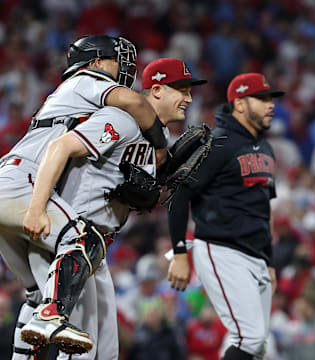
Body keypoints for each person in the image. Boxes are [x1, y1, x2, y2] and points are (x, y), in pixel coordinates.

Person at [14, 57, 206, 355]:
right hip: (68, 240)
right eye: (181, 89)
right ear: (156, 90)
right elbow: (62, 146)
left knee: (105, 352)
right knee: (80, 347)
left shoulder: (157, 142)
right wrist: (38, 209)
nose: (188, 98)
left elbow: (132, 194)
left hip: (94, 249)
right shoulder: (122, 119)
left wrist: (161, 186)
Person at [0, 33, 167, 359]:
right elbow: (135, 102)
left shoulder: (70, 98)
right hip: (21, 182)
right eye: (115, 60)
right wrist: (161, 148)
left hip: (9, 184)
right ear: (94, 63)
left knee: (37, 293)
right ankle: (52, 317)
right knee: (85, 240)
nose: (123, 68)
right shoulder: (84, 80)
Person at [167, 73, 284, 360]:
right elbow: (180, 195)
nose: (270, 105)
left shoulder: (266, 148)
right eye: (262, 99)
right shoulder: (218, 143)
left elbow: (263, 209)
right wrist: (180, 252)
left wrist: (269, 261)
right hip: (223, 250)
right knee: (249, 338)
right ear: (240, 104)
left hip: (257, 255)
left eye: (271, 99)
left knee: (258, 348)